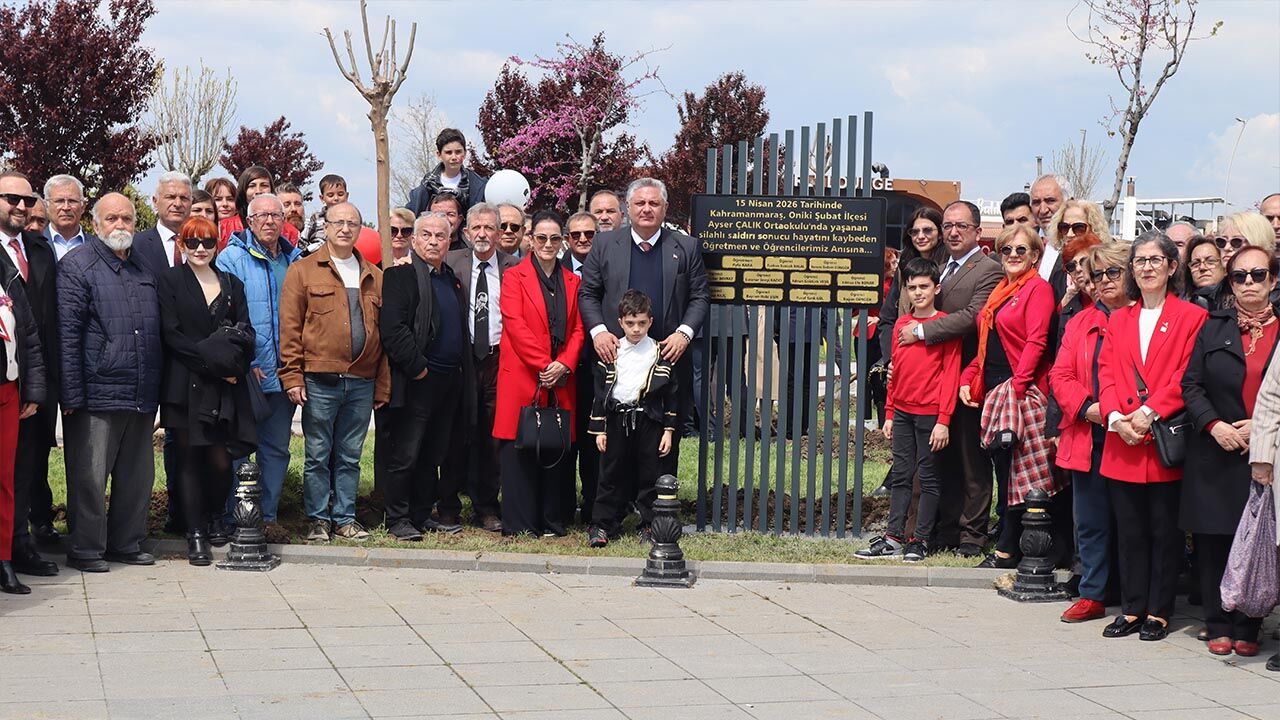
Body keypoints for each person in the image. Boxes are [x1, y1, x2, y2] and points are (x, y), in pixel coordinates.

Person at [1096, 230, 1206, 641]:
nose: (1146, 267)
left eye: (1154, 260)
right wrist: (1114, 417)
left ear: (1171, 266)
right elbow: (1105, 373)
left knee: (1164, 532)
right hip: (1121, 439)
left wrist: (1146, 412)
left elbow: (1186, 377)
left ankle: (1159, 611)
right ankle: (1131, 608)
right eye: (1139, 261)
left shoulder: (1191, 316)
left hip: (1162, 439)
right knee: (1129, 532)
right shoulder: (1118, 318)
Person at [1180, 245, 1277, 656]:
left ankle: (1249, 624)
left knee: (1255, 542)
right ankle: (1218, 622)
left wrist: (1262, 426)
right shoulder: (1213, 326)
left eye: (1258, 275)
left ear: (1273, 280)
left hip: (1264, 453)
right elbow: (1191, 385)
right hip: (1215, 450)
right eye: (1239, 276)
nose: (1248, 283)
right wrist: (1214, 424)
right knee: (1214, 541)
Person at [58, 193, 163, 573]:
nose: (121, 225)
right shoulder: (77, 266)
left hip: (140, 389)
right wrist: (71, 394)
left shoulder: (143, 267)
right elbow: (68, 335)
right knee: (89, 475)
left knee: (137, 476)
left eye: (127, 219)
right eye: (112, 219)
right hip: (96, 390)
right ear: (96, 224)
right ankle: (86, 548)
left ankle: (126, 543)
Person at [580, 178, 709, 477]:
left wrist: (684, 333)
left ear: (665, 208)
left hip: (667, 356)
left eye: (654, 203)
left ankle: (657, 511)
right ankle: (614, 508)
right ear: (628, 207)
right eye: (640, 203)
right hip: (616, 356)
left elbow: (700, 296)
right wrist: (599, 331)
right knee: (614, 438)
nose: (647, 209)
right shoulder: (604, 244)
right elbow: (588, 294)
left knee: (662, 437)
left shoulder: (686, 246)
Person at [279, 202, 389, 543]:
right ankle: (317, 521)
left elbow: (385, 337)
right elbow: (290, 328)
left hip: (361, 381)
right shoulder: (303, 271)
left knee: (350, 456)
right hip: (319, 381)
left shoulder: (375, 275)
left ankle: (344, 518)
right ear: (325, 226)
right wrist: (292, 376)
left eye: (352, 222)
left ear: (359, 228)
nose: (345, 228)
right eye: (338, 222)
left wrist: (382, 385)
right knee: (317, 455)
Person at [896, 201, 1001, 556]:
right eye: (949, 226)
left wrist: (922, 333)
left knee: (971, 458)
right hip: (933, 379)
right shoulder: (939, 268)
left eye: (962, 226)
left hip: (970, 376)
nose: (953, 232)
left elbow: (974, 315)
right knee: (940, 460)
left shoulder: (989, 269)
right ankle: (944, 530)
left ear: (976, 230)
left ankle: (973, 536)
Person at [957, 224, 1060, 569]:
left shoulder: (1038, 289)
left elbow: (1036, 341)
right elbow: (989, 344)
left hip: (1022, 389)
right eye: (1007, 250)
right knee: (1004, 469)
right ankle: (1011, 542)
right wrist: (969, 376)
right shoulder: (1001, 290)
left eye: (1021, 250)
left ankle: (1008, 548)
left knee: (1021, 473)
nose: (1013, 256)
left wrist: (1017, 388)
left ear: (1035, 256)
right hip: (997, 388)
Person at [156, 217, 257, 566]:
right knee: (187, 460)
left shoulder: (232, 283)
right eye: (193, 242)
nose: (201, 249)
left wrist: (233, 369)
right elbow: (172, 336)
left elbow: (246, 334)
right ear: (182, 244)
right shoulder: (169, 280)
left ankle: (216, 514)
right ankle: (194, 533)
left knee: (219, 459)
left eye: (208, 242)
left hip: (224, 387)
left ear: (217, 244)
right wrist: (215, 364)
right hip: (185, 384)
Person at [856, 257, 960, 562]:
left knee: (928, 478)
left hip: (931, 414)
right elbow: (896, 370)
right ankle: (893, 537)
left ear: (936, 288)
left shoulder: (943, 325)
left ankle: (921, 539)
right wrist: (888, 413)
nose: (917, 292)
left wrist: (944, 420)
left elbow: (951, 375)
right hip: (901, 411)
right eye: (912, 287)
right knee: (900, 475)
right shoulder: (902, 324)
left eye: (924, 286)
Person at [1051, 242, 1133, 623]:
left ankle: (1139, 599)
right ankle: (1093, 593)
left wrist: (1126, 414)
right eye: (1097, 274)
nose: (1103, 281)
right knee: (1091, 520)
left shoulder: (1143, 317)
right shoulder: (1081, 321)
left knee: (1135, 523)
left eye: (1112, 272)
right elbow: (1060, 374)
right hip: (1090, 432)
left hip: (1135, 433)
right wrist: (1088, 408)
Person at [379, 212, 472, 541]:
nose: (434, 241)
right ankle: (398, 518)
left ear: (450, 241)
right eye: (427, 235)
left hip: (449, 382)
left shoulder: (451, 279)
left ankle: (420, 513)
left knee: (433, 453)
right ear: (414, 240)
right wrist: (418, 367)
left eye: (440, 236)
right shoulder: (399, 276)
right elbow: (392, 329)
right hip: (417, 379)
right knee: (406, 453)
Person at [494, 210, 585, 537]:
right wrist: (545, 365)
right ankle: (520, 523)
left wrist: (565, 363)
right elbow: (515, 325)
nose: (548, 244)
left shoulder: (574, 281)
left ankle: (552, 520)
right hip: (523, 374)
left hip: (561, 378)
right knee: (519, 448)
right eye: (541, 238)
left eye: (555, 238)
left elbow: (578, 329)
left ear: (562, 242)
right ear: (530, 240)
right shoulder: (514, 277)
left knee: (555, 446)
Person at [215, 193, 302, 532]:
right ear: (248, 221)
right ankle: (236, 517)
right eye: (261, 215)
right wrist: (243, 362)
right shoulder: (231, 259)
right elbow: (224, 318)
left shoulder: (295, 260)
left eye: (275, 215)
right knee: (239, 449)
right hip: (249, 373)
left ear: (284, 221)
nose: (269, 221)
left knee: (277, 449)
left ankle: (267, 517)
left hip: (285, 373)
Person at [443, 203, 517, 533]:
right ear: (466, 232)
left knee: (492, 436)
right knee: (456, 432)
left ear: (500, 233)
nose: (483, 234)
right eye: (477, 228)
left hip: (500, 359)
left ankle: (486, 506)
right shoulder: (450, 264)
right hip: (462, 360)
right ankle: (448, 504)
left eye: (490, 228)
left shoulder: (515, 268)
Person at [586, 289, 677, 547]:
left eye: (641, 323)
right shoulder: (612, 352)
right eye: (630, 323)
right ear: (620, 323)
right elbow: (601, 394)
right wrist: (600, 429)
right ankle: (603, 524)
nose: (636, 329)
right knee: (610, 474)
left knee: (649, 474)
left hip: (648, 420)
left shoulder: (660, 352)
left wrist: (668, 430)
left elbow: (671, 394)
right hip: (616, 419)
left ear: (650, 321)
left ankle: (649, 524)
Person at [130, 171, 194, 534]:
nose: (177, 203)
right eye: (169, 197)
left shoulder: (201, 241)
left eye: (183, 198)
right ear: (155, 202)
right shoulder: (137, 245)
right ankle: (133, 522)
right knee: (138, 444)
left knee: (182, 440)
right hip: (148, 357)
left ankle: (183, 513)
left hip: (189, 361)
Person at [0, 172, 56, 582]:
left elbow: (41, 325)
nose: (21, 207)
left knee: (25, 470)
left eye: (27, 200)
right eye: (11, 199)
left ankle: (18, 546)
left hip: (30, 381)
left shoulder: (40, 248)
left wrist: (38, 386)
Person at [563, 212, 602, 522]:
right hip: (563, 369)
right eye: (576, 234)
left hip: (598, 367)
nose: (583, 239)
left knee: (594, 441)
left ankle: (593, 506)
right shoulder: (555, 269)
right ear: (567, 238)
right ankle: (562, 506)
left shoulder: (607, 266)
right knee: (564, 440)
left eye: (589, 233)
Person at [405, 128, 489, 217]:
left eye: (458, 152)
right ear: (439, 154)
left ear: (465, 153)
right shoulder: (426, 186)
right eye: (449, 153)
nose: (454, 157)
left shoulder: (478, 186)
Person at [218, 166, 300, 249]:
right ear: (243, 191)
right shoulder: (223, 227)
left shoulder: (290, 232)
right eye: (252, 186)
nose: (258, 191)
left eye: (264, 185)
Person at [1030, 174, 1069, 304]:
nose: (1043, 210)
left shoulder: (1079, 244)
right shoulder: (1022, 243)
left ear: (1068, 203)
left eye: (1050, 201)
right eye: (1036, 203)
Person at [43, 174, 94, 260]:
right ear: (46, 206)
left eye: (72, 201)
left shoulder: (98, 247)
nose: (66, 207)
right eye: (59, 201)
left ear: (83, 207)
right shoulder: (34, 244)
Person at [299, 174, 350, 254]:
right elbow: (302, 241)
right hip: (317, 258)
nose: (336, 198)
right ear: (322, 198)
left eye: (340, 194)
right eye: (330, 195)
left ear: (346, 196)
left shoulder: (351, 220)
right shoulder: (315, 219)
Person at [1183, 234, 1226, 309]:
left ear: (1225, 268)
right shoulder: (1182, 307)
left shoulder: (1239, 304)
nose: (1202, 268)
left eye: (1210, 261)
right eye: (1195, 263)